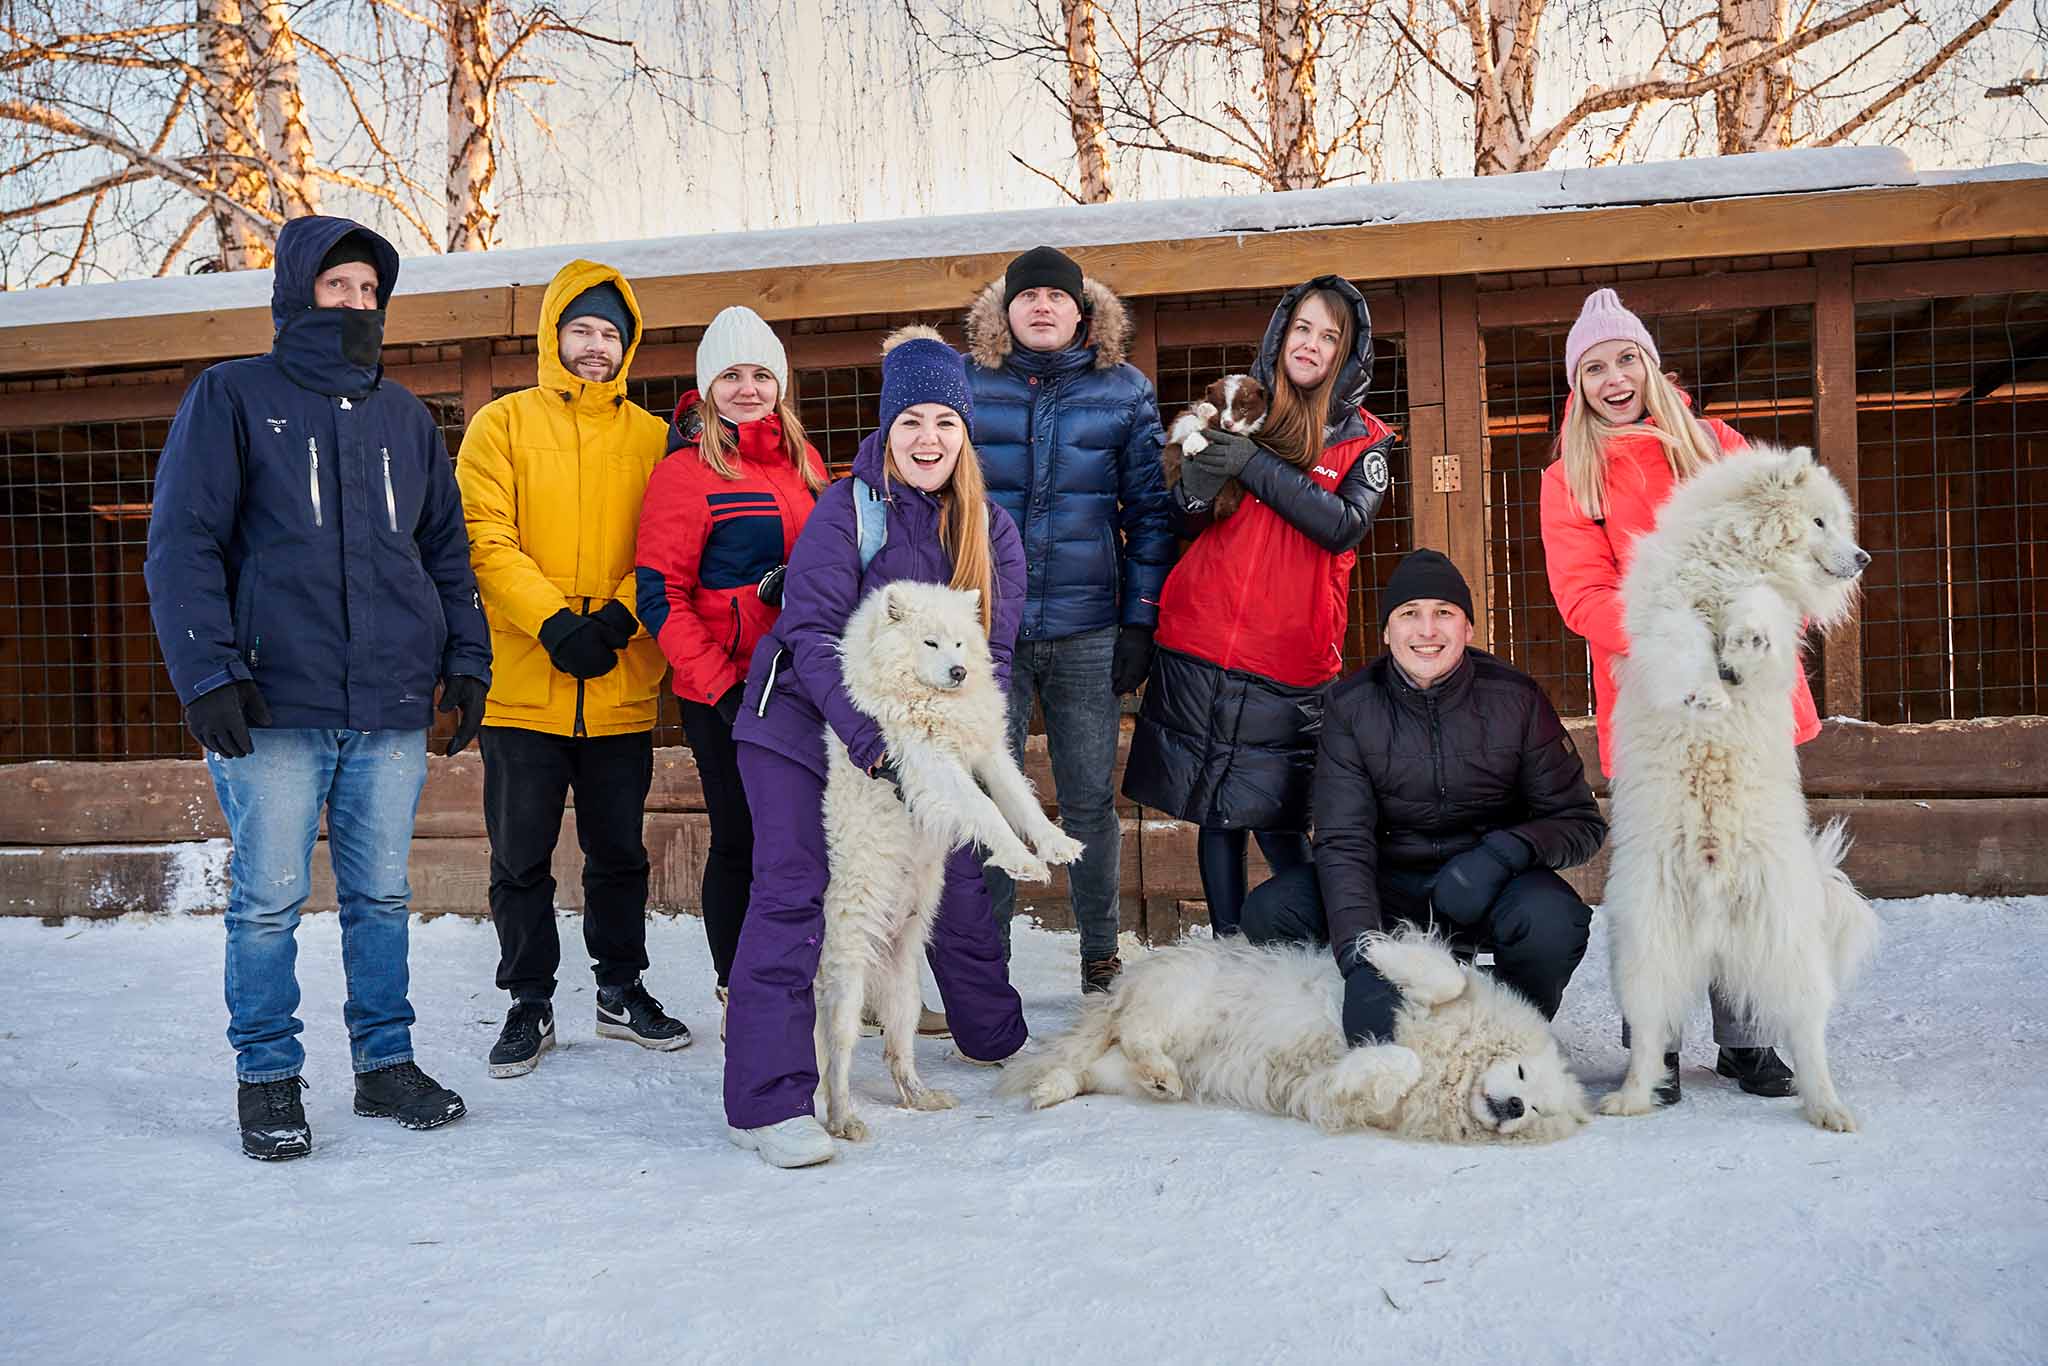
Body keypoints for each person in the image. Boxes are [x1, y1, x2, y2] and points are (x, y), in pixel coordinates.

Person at [145, 215, 489, 1160]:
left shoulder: (404, 416)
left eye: (371, 292)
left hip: (387, 706)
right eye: (339, 287)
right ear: (300, 292)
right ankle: (267, 1077)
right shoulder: (231, 396)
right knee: (268, 900)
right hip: (273, 705)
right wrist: (207, 671)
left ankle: (384, 1065)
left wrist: (467, 659)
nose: (357, 304)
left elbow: (445, 553)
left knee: (381, 895)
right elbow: (184, 543)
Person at [722, 325, 1030, 1168]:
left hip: (909, 740)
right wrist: (869, 745)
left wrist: (949, 764)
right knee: (797, 887)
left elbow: (988, 660)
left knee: (954, 871)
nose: (926, 438)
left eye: (944, 421)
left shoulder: (991, 532)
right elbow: (813, 630)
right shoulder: (847, 509)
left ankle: (994, 1033)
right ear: (886, 430)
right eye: (909, 422)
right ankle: (769, 1101)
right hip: (799, 723)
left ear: (965, 433)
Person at [1539, 286, 1801, 1104]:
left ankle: (1751, 1036)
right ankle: (1652, 1046)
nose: (1614, 379)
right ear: (1577, 386)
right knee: (1663, 869)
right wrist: (1683, 641)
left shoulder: (1719, 446)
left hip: (1746, 695)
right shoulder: (1568, 479)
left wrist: (1738, 638)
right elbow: (1584, 599)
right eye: (1595, 368)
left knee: (1750, 860)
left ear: (1650, 365)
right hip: (1655, 699)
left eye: (1626, 360)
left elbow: (1775, 548)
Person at [456, 260, 687, 1080]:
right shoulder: (502, 425)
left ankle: (621, 990)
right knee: (519, 857)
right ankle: (528, 1000)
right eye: (582, 331)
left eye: (610, 335)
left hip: (621, 681)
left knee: (618, 852)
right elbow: (485, 538)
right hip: (525, 682)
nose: (596, 347)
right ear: (554, 336)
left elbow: (669, 543)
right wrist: (552, 621)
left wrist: (623, 615)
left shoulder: (656, 438)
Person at [1239, 550, 1607, 1044]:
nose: (1427, 630)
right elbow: (1344, 841)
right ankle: (1352, 1015)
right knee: (1272, 911)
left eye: (1444, 613)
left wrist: (1504, 853)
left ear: (1469, 629)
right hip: (1388, 885)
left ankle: (1503, 1034)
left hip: (1485, 885)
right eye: (1410, 614)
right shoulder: (1352, 707)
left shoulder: (1516, 699)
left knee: (1554, 922)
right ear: (1387, 632)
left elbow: (1580, 821)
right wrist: (1362, 958)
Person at [1121, 275, 1394, 936]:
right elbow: (1183, 517)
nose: (1312, 343)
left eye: (1329, 336)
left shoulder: (1366, 440)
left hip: (1288, 662)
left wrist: (1251, 465)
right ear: (1281, 333)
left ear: (1346, 353)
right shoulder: (1238, 405)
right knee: (1216, 816)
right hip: (1201, 642)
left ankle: (1311, 954)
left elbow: (1340, 525)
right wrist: (1197, 481)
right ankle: (1228, 956)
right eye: (1303, 327)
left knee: (1278, 817)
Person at [963, 245, 1175, 992]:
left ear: (1082, 312)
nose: (1043, 307)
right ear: (1006, 311)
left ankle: (1100, 953)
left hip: (1089, 628)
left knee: (1088, 798)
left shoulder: (1123, 392)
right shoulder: (967, 386)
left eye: (1058, 297)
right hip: (986, 633)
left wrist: (1140, 620)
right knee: (990, 794)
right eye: (1029, 297)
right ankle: (985, 966)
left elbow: (1149, 513)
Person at [633, 306, 826, 1039]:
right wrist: (719, 686)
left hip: (805, 682)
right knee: (743, 838)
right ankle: (737, 987)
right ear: (708, 386)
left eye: (760, 375)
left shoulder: (805, 465)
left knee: (807, 838)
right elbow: (662, 595)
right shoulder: (685, 473)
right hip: (731, 688)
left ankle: (807, 979)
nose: (748, 389)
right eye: (732, 375)